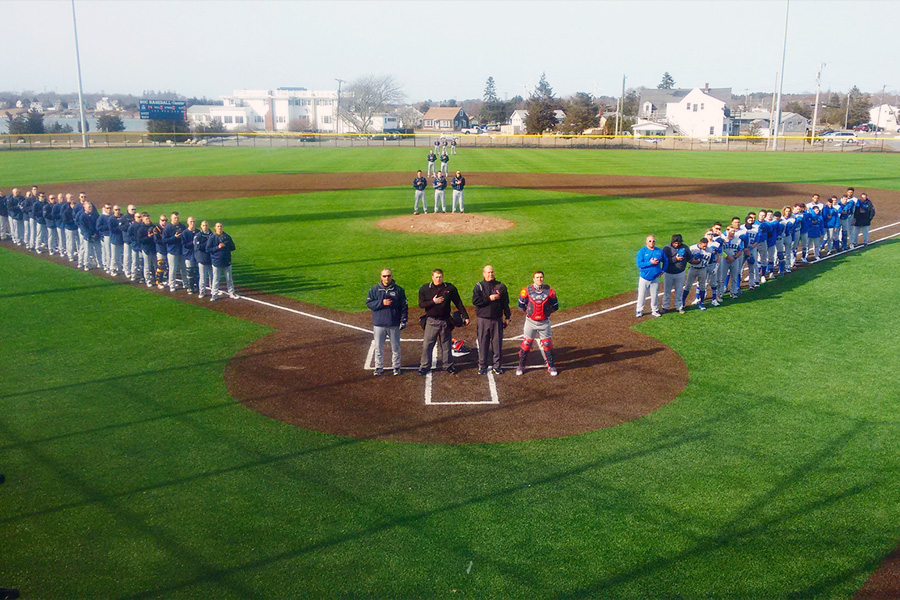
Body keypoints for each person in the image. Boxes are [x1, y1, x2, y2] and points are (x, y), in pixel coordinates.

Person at [417, 268, 469, 375]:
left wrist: (465, 316)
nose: (438, 279)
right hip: (431, 321)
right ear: (432, 277)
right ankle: (424, 366)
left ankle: (448, 365)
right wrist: (433, 301)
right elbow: (421, 304)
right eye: (436, 277)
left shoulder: (449, 288)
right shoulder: (425, 289)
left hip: (445, 321)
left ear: (443, 277)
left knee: (446, 345)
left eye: (440, 277)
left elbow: (458, 303)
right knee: (427, 345)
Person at [365, 268, 408, 376]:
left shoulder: (399, 290)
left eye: (388, 276)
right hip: (379, 324)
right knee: (378, 347)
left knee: (396, 347)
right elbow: (369, 304)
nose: (386, 278)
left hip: (393, 323)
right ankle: (379, 367)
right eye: (384, 276)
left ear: (392, 276)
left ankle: (396, 367)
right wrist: (382, 303)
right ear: (381, 277)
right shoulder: (374, 290)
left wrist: (403, 320)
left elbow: (404, 306)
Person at [516, 270, 559, 376]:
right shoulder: (526, 291)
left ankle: (551, 365)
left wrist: (546, 313)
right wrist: (531, 313)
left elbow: (555, 306)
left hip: (544, 322)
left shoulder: (550, 292)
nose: (539, 279)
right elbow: (521, 305)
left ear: (543, 278)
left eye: (541, 277)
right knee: (526, 344)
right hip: (530, 322)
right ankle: (521, 365)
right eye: (537, 277)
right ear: (533, 279)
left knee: (547, 344)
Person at [472, 265, 511, 375]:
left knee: (497, 344)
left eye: (492, 272)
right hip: (483, 320)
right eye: (488, 272)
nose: (490, 274)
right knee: (483, 343)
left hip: (497, 319)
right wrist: (489, 298)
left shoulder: (501, 286)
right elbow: (475, 301)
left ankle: (497, 366)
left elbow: (505, 303)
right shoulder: (479, 286)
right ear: (483, 274)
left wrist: (507, 317)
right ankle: (482, 365)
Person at [635, 235, 667, 318]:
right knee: (641, 294)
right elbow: (639, 264)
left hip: (655, 277)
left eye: (653, 241)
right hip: (644, 277)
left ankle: (655, 310)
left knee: (655, 295)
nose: (652, 242)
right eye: (650, 241)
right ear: (646, 241)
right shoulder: (642, 251)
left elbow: (666, 261)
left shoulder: (659, 251)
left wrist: (662, 270)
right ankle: (639, 310)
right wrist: (650, 263)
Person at [206, 222, 238, 301]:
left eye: (220, 226)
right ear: (215, 227)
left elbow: (233, 247)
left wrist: (226, 247)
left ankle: (231, 293)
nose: (219, 228)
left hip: (226, 261)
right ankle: (214, 294)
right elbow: (208, 249)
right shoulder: (212, 238)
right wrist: (218, 247)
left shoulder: (227, 237)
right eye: (218, 226)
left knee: (229, 279)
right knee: (216, 279)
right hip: (216, 262)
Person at [661, 234, 691, 314]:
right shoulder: (667, 248)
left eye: (678, 243)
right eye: (675, 243)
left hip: (680, 273)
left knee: (679, 291)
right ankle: (665, 307)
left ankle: (679, 307)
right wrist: (675, 259)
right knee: (667, 291)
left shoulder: (685, 247)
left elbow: (689, 258)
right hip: (668, 273)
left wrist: (696, 261)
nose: (676, 245)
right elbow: (664, 260)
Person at [683, 237, 711, 310]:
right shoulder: (692, 248)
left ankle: (701, 303)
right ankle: (682, 302)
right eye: (703, 246)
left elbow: (710, 260)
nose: (705, 248)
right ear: (700, 243)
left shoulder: (709, 250)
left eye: (706, 246)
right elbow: (687, 259)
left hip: (703, 269)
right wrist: (694, 260)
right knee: (688, 285)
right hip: (693, 268)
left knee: (702, 286)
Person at [162, 211, 187, 292]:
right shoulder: (168, 228)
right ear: (171, 218)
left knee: (183, 268)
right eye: (175, 218)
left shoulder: (182, 226)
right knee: (173, 269)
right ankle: (172, 285)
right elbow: (164, 240)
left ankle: (185, 283)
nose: (176, 219)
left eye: (178, 218)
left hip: (181, 252)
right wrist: (174, 237)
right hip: (172, 252)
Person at [721, 226, 744, 298]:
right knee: (722, 277)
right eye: (731, 231)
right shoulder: (722, 240)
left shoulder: (738, 240)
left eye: (734, 231)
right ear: (727, 231)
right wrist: (727, 257)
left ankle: (733, 292)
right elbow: (721, 251)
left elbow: (740, 251)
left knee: (734, 276)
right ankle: (720, 293)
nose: (733, 233)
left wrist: (734, 258)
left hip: (734, 260)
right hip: (724, 260)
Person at [135, 213, 157, 286]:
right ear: (143, 220)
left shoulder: (153, 227)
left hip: (153, 249)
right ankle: (148, 280)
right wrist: (148, 237)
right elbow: (140, 240)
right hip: (146, 249)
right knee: (147, 266)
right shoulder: (141, 229)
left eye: (149, 218)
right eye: (146, 219)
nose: (148, 220)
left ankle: (157, 279)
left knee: (156, 265)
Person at [193, 220, 213, 298]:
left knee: (212, 276)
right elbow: (198, 247)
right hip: (202, 259)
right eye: (203, 225)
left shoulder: (212, 235)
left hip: (211, 259)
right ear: (201, 226)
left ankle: (213, 290)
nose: (205, 227)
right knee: (203, 277)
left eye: (206, 225)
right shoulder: (198, 236)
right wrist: (208, 243)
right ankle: (202, 291)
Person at [182, 216, 198, 294]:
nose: (192, 223)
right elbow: (185, 245)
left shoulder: (198, 232)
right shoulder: (185, 233)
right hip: (188, 255)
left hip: (197, 254)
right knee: (190, 271)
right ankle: (190, 287)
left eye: (194, 221)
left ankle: (198, 286)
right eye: (191, 222)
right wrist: (193, 243)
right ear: (188, 223)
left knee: (197, 271)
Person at [108, 205, 125, 276]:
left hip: (122, 239)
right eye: (116, 210)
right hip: (114, 239)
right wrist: (120, 227)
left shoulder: (123, 217)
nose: (117, 211)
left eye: (118, 209)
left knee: (120, 255)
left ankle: (119, 267)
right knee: (114, 256)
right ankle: (112, 269)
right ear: (113, 210)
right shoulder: (111, 219)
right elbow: (112, 229)